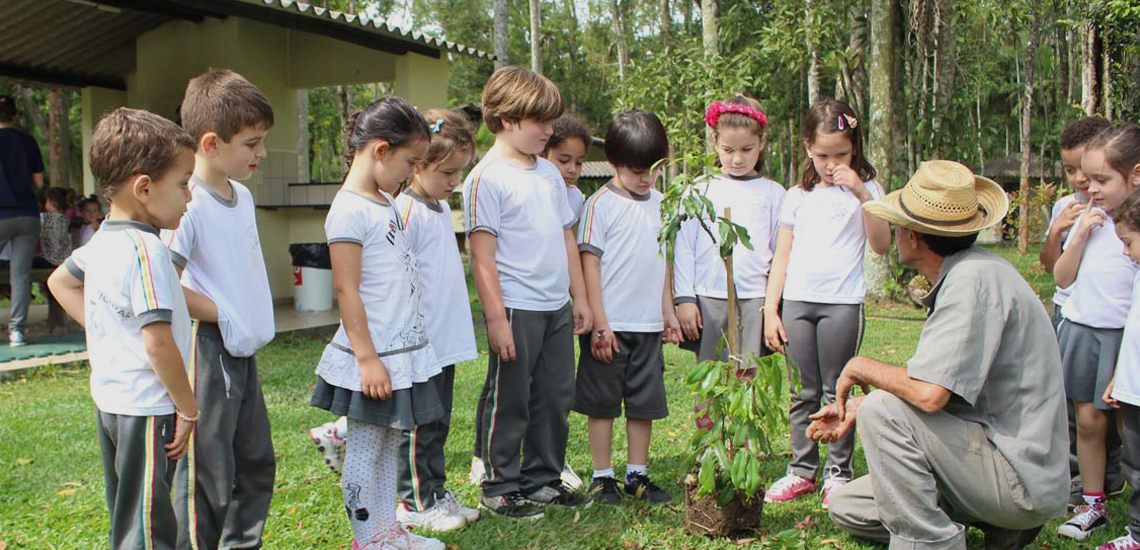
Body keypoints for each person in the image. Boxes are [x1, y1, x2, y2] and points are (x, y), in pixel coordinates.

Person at [817, 160, 1068, 549]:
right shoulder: (974, 271)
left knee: (881, 409)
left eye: (899, 226)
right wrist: (856, 407)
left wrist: (859, 366)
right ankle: (997, 527)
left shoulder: (972, 281)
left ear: (913, 237)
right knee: (849, 505)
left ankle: (933, 542)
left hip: (1019, 476)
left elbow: (930, 394)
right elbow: (943, 388)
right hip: (995, 456)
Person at [47, 107, 199, 550]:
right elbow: (157, 342)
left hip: (112, 404)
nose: (189, 196)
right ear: (145, 188)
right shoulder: (146, 249)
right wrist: (188, 408)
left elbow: (60, 282)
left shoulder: (101, 240)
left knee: (128, 515)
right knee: (149, 528)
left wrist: (111, 329)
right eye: (184, 183)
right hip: (149, 408)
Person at [310, 97, 445, 550]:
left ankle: (388, 530)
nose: (410, 174)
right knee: (367, 448)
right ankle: (367, 539)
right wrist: (367, 360)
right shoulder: (348, 210)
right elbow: (347, 290)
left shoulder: (384, 201)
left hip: (399, 353)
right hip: (374, 356)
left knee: (390, 442)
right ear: (381, 151)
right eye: (409, 162)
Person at [462, 66, 593, 520]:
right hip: (516, 308)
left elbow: (566, 239)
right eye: (541, 122)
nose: (549, 131)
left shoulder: (550, 175)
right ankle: (500, 485)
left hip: (556, 305)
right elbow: (482, 257)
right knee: (511, 399)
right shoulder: (485, 179)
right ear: (507, 118)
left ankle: (543, 478)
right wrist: (496, 319)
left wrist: (580, 298)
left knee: (556, 395)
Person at [164, 69, 277, 550]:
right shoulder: (187, 204)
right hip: (206, 352)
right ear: (210, 144)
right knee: (207, 474)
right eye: (251, 144)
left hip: (242, 354)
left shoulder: (243, 196)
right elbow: (160, 283)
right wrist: (220, 313)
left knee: (255, 463)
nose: (261, 154)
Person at [762, 99, 891, 506]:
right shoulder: (798, 195)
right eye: (822, 155)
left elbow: (881, 245)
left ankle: (838, 470)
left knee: (838, 388)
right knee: (803, 390)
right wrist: (771, 309)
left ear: (855, 149)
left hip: (842, 304)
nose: (832, 163)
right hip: (797, 303)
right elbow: (781, 256)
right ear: (806, 149)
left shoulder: (869, 192)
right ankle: (801, 468)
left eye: (842, 154)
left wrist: (860, 192)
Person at [575, 110, 681, 506]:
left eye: (653, 169)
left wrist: (667, 312)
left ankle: (637, 474)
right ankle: (603, 477)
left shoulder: (662, 204)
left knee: (644, 403)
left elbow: (662, 262)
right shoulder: (599, 205)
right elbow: (590, 266)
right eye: (637, 170)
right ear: (615, 162)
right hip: (610, 327)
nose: (646, 178)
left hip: (649, 325)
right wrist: (600, 325)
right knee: (602, 405)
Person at [391, 109, 481, 531]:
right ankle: (413, 502)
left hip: (443, 341)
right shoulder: (405, 211)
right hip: (417, 344)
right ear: (419, 164)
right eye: (447, 172)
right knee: (418, 423)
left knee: (439, 420)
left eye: (459, 172)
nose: (454, 182)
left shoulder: (441, 209)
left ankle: (436, 491)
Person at [1053, 122, 1140, 541]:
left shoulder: (1133, 228)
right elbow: (1063, 278)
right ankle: (1093, 503)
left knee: (1130, 429)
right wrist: (1079, 237)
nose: (1091, 188)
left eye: (1102, 179)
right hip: (1083, 328)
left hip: (1124, 339)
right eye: (1087, 179)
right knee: (1087, 422)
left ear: (1135, 176)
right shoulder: (1089, 217)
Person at [1040, 117, 1126, 510]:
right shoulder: (1073, 210)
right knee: (1083, 416)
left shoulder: (1127, 219)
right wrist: (1067, 233)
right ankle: (1087, 492)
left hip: (1121, 329)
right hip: (1077, 318)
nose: (1083, 183)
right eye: (1073, 172)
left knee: (1124, 419)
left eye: (1093, 175)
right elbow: (1056, 270)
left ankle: (1118, 481)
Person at [674, 95, 783, 373]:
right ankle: (707, 420)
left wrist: (772, 304)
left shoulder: (773, 194)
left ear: (762, 142)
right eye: (728, 149)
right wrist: (685, 299)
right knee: (710, 377)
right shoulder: (699, 189)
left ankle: (742, 419)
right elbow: (684, 246)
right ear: (715, 143)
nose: (737, 159)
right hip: (709, 298)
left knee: (747, 375)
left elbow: (779, 252)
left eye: (747, 149)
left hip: (754, 299)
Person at [1101, 186, 1140, 550]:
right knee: (1135, 467)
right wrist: (1118, 378)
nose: (1125, 254)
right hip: (1133, 391)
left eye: (1128, 243)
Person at [0, 95, 43, 346]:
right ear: (15, 116)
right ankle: (17, 331)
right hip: (27, 215)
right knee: (20, 275)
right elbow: (37, 182)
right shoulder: (28, 141)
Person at [542, 115, 592, 224]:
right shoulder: (527, 191)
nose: (572, 169)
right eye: (563, 160)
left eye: (579, 163)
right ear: (542, 155)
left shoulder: (575, 197)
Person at [40, 187, 73, 333]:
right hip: (62, 257)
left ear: (52, 202)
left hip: (51, 258)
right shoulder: (64, 219)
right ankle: (57, 316)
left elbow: (50, 242)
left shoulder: (49, 219)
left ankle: (55, 315)